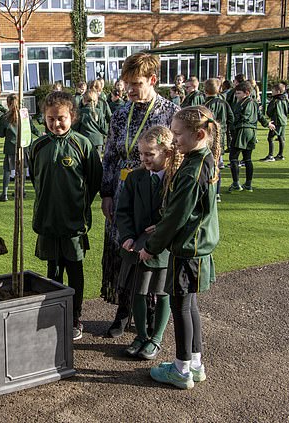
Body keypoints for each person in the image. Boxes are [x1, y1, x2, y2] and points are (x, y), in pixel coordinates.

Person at [140, 105, 221, 390]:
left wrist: (150, 246)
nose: (173, 140)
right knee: (190, 306)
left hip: (187, 250)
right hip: (198, 248)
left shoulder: (191, 169)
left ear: (199, 134)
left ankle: (181, 368)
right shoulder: (204, 158)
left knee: (181, 307)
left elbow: (177, 216)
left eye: (177, 134)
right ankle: (195, 364)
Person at [100, 52, 179, 338]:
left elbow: (177, 157)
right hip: (123, 194)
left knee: (149, 252)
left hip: (155, 194)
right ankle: (123, 312)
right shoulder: (121, 112)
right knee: (123, 251)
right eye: (126, 83)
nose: (130, 89)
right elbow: (109, 155)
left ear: (153, 80)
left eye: (136, 83)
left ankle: (150, 320)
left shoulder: (170, 112)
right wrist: (106, 193)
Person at [29, 91, 102, 341]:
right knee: (53, 270)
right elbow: (34, 178)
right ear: (44, 118)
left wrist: (77, 205)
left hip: (73, 222)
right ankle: (54, 314)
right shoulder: (37, 146)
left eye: (61, 118)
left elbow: (94, 180)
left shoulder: (83, 144)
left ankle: (74, 317)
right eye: (50, 119)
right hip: (48, 220)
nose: (56, 124)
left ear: (72, 116)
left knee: (74, 268)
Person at [116, 126, 181, 361]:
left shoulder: (176, 179)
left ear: (167, 152)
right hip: (137, 244)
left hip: (164, 245)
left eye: (150, 154)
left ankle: (156, 338)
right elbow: (122, 211)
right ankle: (142, 335)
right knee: (138, 292)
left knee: (162, 292)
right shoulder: (135, 177)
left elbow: (179, 212)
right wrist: (127, 236)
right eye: (141, 154)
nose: (144, 159)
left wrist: (163, 225)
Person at [228, 81, 274, 193]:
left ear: (247, 93)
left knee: (233, 157)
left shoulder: (245, 103)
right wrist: (267, 124)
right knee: (247, 158)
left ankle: (236, 183)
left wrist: (232, 124)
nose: (236, 95)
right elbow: (259, 115)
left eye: (238, 93)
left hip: (243, 131)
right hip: (252, 132)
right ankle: (248, 184)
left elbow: (243, 116)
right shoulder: (253, 102)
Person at [0, 93, 39, 202]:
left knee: (7, 170)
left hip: (11, 146)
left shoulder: (5, 117)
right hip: (23, 145)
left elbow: (0, 134)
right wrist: (40, 134)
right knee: (23, 169)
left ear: (8, 103)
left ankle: (4, 194)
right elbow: (32, 128)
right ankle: (21, 191)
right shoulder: (25, 115)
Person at [203, 78, 234, 202]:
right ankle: (217, 193)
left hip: (208, 138)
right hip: (220, 138)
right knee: (217, 165)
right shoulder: (224, 103)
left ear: (205, 90)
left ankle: (209, 191)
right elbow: (231, 118)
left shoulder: (204, 105)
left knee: (207, 164)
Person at [260, 83, 289, 162]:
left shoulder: (274, 101)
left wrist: (267, 114)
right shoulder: (285, 99)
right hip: (283, 121)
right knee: (281, 138)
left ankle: (270, 155)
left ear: (278, 91)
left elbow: (269, 111)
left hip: (276, 121)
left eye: (273, 91)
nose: (271, 92)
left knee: (270, 138)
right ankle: (280, 155)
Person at [73, 90, 109, 155]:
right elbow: (104, 129)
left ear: (83, 100)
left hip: (85, 141)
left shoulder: (80, 112)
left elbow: (75, 128)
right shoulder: (99, 112)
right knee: (97, 163)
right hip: (98, 142)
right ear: (96, 100)